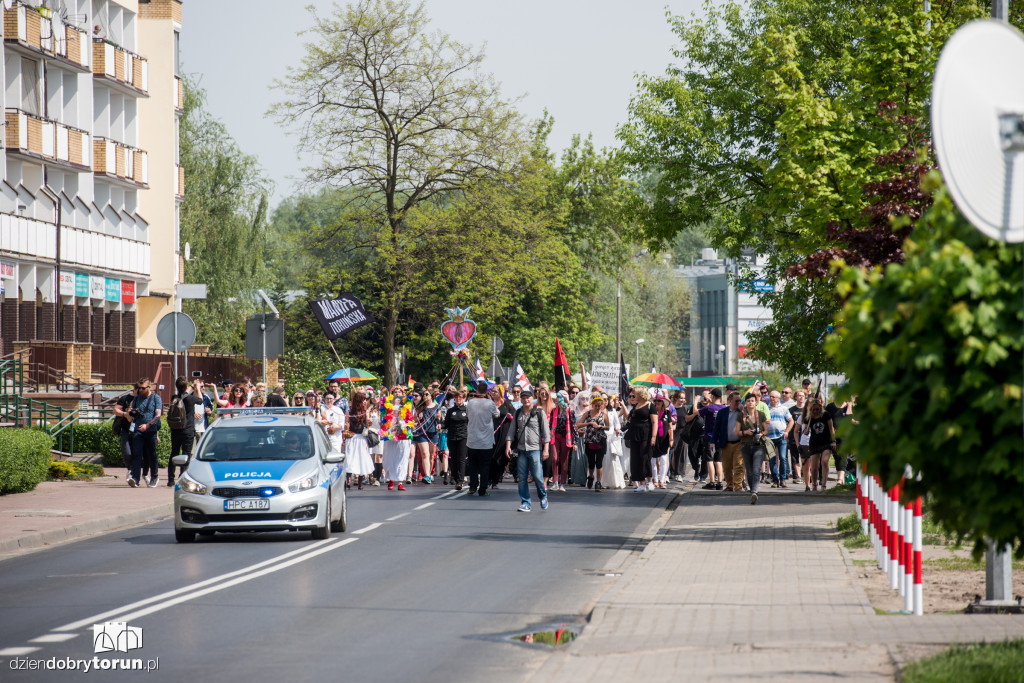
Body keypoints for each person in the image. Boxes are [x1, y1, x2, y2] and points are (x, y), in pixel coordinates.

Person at [506, 389, 550, 511]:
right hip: (521, 450)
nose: (526, 399)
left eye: (528, 397)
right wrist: (508, 446)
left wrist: (546, 449)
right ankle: (525, 502)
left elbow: (546, 433)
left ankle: (543, 496)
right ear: (521, 399)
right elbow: (511, 430)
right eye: (523, 397)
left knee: (537, 476)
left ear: (532, 399)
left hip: (535, 449)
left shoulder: (539, 413)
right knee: (522, 477)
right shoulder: (518, 413)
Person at [166, 377, 205, 487]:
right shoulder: (191, 399)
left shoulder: (174, 397)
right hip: (187, 430)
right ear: (187, 387)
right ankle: (182, 478)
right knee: (186, 454)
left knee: (174, 453)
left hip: (175, 429)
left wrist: (191, 387)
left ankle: (170, 479)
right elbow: (200, 400)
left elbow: (183, 393)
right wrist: (197, 387)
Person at [466, 380, 500, 496]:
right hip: (486, 441)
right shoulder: (490, 403)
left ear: (476, 391)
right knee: (485, 466)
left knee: (473, 465)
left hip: (472, 440)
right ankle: (483, 489)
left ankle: (472, 487)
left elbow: (468, 415)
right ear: (486, 392)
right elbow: (497, 414)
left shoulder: (470, 402)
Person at [127, 378, 162, 488]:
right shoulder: (136, 398)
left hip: (151, 431)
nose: (140, 390)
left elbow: (158, 415)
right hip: (138, 430)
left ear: (149, 387)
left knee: (152, 454)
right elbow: (131, 414)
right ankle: (135, 479)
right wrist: (131, 412)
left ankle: (154, 477)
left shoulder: (156, 398)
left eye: (143, 388)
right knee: (137, 454)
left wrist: (148, 425)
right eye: (139, 388)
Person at [736, 392, 767, 504]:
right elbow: (737, 432)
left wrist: (761, 434)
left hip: (758, 446)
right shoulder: (741, 415)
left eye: (752, 401)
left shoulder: (761, 414)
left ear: (756, 402)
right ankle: (751, 492)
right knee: (748, 471)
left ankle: (754, 491)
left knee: (756, 469)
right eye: (748, 401)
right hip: (745, 445)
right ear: (746, 403)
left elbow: (766, 430)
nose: (750, 403)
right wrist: (746, 432)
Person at [382, 385, 413, 491]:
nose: (397, 393)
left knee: (402, 457)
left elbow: (411, 417)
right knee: (389, 456)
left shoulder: (408, 404)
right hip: (391, 432)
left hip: (403, 433)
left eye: (400, 392)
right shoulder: (387, 404)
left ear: (403, 394)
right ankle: (391, 479)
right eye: (395, 392)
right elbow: (383, 417)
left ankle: (400, 481)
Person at [712, 391, 744, 492]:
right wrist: (712, 441)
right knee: (726, 466)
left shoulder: (742, 412)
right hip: (726, 443)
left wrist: (744, 412)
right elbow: (716, 428)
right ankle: (730, 486)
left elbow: (749, 423)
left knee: (738, 465)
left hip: (739, 443)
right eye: (736, 401)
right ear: (729, 401)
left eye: (740, 401)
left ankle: (738, 485)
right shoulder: (723, 412)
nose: (738, 403)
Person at [626, 386, 656, 492]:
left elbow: (654, 422)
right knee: (636, 459)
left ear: (641, 395)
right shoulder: (635, 406)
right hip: (634, 435)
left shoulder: (650, 406)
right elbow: (629, 417)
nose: (634, 397)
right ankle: (642, 483)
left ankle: (650, 481)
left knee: (645, 458)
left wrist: (653, 437)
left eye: (636, 395)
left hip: (645, 435)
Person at [577, 393, 609, 490]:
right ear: (592, 405)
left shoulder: (604, 414)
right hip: (590, 440)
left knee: (599, 462)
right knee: (591, 462)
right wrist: (589, 423)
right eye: (596, 406)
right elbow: (578, 424)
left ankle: (598, 482)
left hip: (600, 440)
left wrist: (600, 426)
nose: (598, 407)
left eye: (600, 405)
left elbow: (608, 427)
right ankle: (591, 476)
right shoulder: (588, 413)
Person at [343, 391, 375, 490]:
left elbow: (347, 424)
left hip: (356, 437)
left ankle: (350, 479)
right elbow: (347, 424)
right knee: (358, 458)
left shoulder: (354, 412)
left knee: (352, 458)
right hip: (357, 437)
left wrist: (369, 421)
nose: (366, 401)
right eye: (364, 399)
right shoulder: (360, 412)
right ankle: (358, 482)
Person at [803, 398, 836, 492]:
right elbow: (805, 431)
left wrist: (833, 441)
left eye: (817, 409)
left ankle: (824, 485)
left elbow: (831, 428)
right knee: (814, 467)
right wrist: (805, 431)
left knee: (824, 462)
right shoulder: (808, 418)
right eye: (814, 410)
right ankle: (814, 484)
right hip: (814, 443)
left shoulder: (826, 415)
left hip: (826, 442)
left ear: (820, 408)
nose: (816, 411)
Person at [699, 388, 728, 490]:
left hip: (709, 437)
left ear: (713, 396)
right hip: (720, 438)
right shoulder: (725, 408)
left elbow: (696, 412)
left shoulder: (709, 408)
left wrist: (696, 401)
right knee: (718, 461)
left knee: (709, 460)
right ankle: (720, 483)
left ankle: (711, 482)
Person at [547, 391, 575, 491]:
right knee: (554, 458)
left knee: (564, 460)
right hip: (555, 437)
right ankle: (555, 482)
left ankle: (562, 483)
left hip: (566, 437)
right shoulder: (554, 410)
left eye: (558, 398)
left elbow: (573, 427)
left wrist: (574, 442)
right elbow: (550, 425)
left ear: (562, 399)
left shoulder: (570, 411)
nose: (556, 400)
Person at [766, 390, 794, 488]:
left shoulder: (783, 408)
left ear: (778, 399)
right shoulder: (766, 409)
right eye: (771, 396)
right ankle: (775, 480)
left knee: (783, 458)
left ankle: (782, 479)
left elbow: (791, 421)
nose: (771, 398)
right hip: (769, 438)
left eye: (774, 397)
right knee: (772, 459)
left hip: (781, 436)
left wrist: (787, 431)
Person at [443, 388, 469, 490]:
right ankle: (453, 477)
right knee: (453, 459)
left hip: (463, 437)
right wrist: (440, 425)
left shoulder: (466, 410)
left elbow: (470, 423)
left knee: (461, 459)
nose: (458, 399)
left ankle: (460, 481)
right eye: (456, 397)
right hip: (452, 437)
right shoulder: (450, 411)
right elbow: (446, 424)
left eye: (460, 397)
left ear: (463, 399)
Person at [489, 386, 515, 489]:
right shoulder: (489, 403)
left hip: (503, 432)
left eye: (495, 391)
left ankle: (496, 479)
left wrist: (510, 417)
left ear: (500, 392)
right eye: (492, 391)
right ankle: (488, 479)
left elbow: (515, 417)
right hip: (490, 432)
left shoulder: (507, 404)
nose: (493, 393)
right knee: (490, 456)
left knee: (499, 457)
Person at [112, 384, 138, 481]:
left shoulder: (143, 399)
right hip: (126, 430)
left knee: (137, 453)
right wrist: (125, 414)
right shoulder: (125, 398)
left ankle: (137, 474)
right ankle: (130, 470)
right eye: (139, 389)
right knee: (127, 452)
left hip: (138, 430)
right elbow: (115, 410)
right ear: (134, 389)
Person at [651, 394, 673, 488]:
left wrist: (671, 439)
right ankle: (655, 480)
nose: (657, 402)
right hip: (654, 438)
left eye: (659, 401)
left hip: (664, 439)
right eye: (655, 401)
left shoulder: (667, 413)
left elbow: (670, 427)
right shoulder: (651, 413)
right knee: (652, 460)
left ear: (663, 403)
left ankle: (662, 481)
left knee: (663, 460)